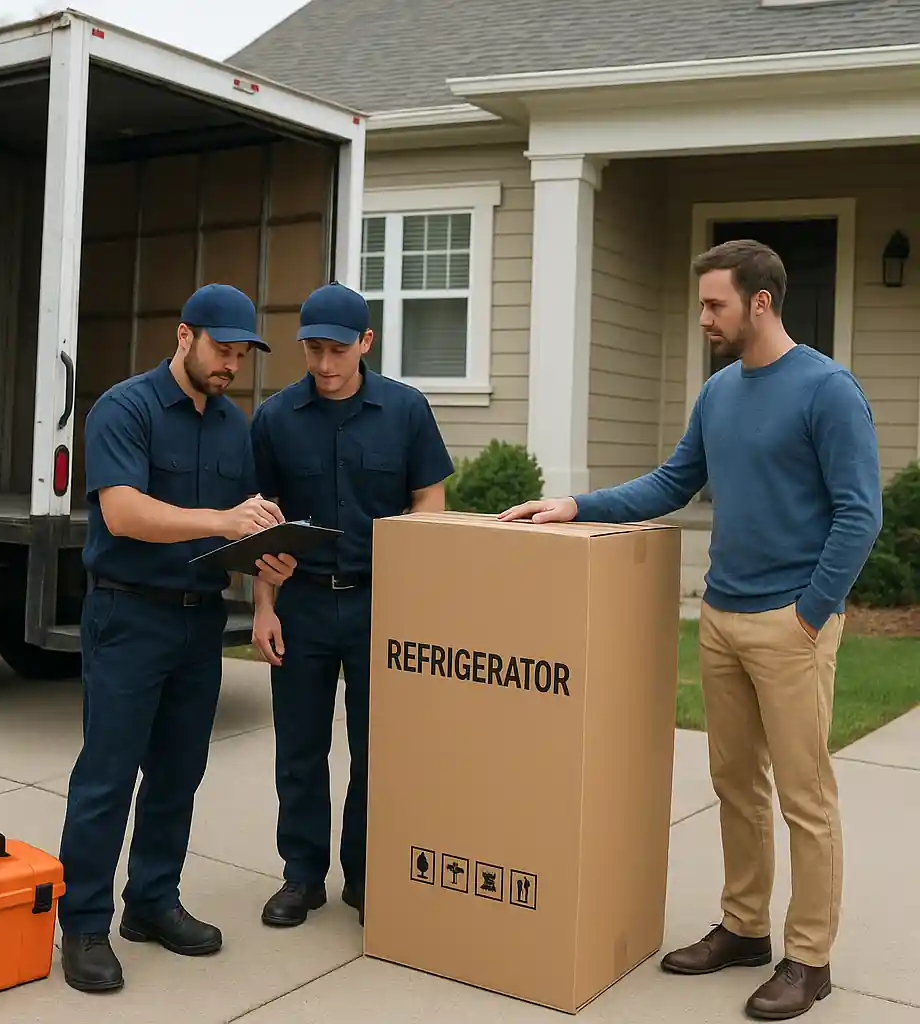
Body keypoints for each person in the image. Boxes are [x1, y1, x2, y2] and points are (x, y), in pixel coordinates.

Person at [500, 240, 882, 1021]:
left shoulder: (828, 391)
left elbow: (859, 512)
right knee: (735, 786)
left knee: (805, 798)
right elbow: (674, 481)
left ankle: (808, 958)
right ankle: (743, 928)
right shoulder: (718, 394)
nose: (703, 317)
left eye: (715, 304)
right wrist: (576, 505)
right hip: (721, 616)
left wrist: (812, 613)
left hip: (790, 626)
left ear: (761, 302)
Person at [57, 283, 298, 993]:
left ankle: (152, 903)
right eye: (221, 349)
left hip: (200, 624)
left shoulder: (234, 427)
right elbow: (125, 513)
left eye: (241, 354)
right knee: (107, 776)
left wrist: (269, 572)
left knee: (177, 775)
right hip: (128, 618)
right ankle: (85, 924)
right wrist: (225, 523)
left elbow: (253, 522)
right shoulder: (124, 408)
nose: (230, 365)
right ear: (184, 335)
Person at [248, 282, 454, 928]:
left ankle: (367, 876)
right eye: (312, 350)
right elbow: (261, 524)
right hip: (303, 606)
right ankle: (301, 877)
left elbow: (430, 500)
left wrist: (415, 591)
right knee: (300, 748)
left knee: (378, 750)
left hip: (380, 605)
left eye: (337, 350)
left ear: (366, 343)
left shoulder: (406, 410)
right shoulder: (275, 418)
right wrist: (263, 607)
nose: (324, 365)